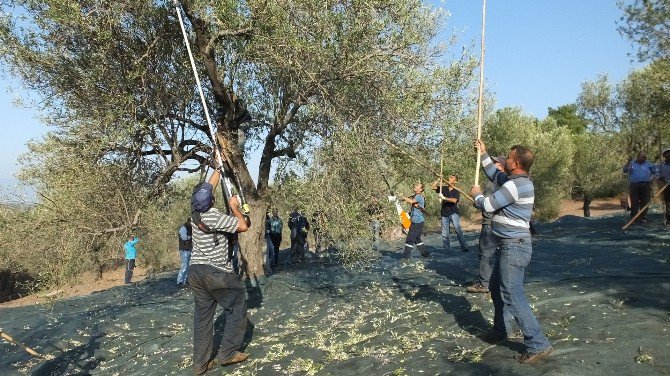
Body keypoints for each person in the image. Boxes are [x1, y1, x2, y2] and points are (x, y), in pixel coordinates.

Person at [470, 142, 552, 364]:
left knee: (512, 295)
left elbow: (487, 205)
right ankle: (500, 330)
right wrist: (483, 152)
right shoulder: (514, 181)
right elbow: (493, 173)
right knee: (497, 289)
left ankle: (538, 344)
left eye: (508, 157)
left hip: (514, 247)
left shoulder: (516, 186)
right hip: (508, 246)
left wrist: (477, 195)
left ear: (515, 163)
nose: (504, 160)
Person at [189, 169, 250, 374]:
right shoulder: (213, 216)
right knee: (237, 307)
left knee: (203, 318)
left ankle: (200, 364)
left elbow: (209, 186)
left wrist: (217, 166)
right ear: (212, 201)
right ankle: (228, 354)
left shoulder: (195, 212)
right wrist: (235, 207)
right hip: (216, 272)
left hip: (196, 272)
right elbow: (242, 226)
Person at [467, 152, 507, 294]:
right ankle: (488, 279)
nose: (491, 165)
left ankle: (485, 283)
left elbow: (488, 204)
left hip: (490, 221)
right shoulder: (500, 182)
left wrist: (478, 197)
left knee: (486, 252)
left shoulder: (494, 182)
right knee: (491, 252)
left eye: (495, 163)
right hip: (494, 221)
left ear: (500, 167)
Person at [431, 175, 469, 253]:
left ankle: (464, 246)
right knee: (445, 232)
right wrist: (439, 178)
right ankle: (446, 249)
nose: (449, 178)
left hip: (454, 213)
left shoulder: (456, 190)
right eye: (449, 177)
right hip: (444, 213)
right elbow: (433, 187)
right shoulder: (443, 188)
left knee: (458, 230)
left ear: (455, 181)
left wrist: (444, 198)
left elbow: (454, 200)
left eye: (451, 178)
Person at [623, 152, 657, 223]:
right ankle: (634, 217)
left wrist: (652, 179)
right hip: (634, 185)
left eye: (644, 157)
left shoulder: (649, 164)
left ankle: (643, 217)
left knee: (645, 201)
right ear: (637, 157)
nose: (643, 159)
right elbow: (625, 171)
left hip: (646, 184)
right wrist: (627, 165)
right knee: (634, 201)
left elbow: (655, 172)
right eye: (641, 157)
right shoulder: (632, 163)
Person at [401, 183, 430, 259]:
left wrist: (402, 196)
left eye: (417, 186)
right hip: (418, 221)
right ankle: (426, 254)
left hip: (417, 222)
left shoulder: (418, 196)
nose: (415, 186)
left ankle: (405, 257)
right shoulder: (417, 196)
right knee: (417, 239)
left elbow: (411, 201)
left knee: (410, 239)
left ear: (420, 189)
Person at [177, 219, 193, 287]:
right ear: (189, 221)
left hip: (189, 249)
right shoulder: (183, 228)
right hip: (184, 250)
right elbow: (184, 238)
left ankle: (185, 281)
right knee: (184, 266)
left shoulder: (190, 228)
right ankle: (179, 281)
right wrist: (191, 237)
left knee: (189, 266)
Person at [659, 147, 670, 225]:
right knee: (668, 203)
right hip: (666, 186)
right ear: (664, 155)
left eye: (669, 152)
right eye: (667, 153)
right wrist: (660, 178)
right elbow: (657, 175)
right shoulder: (661, 165)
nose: (669, 154)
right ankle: (669, 219)